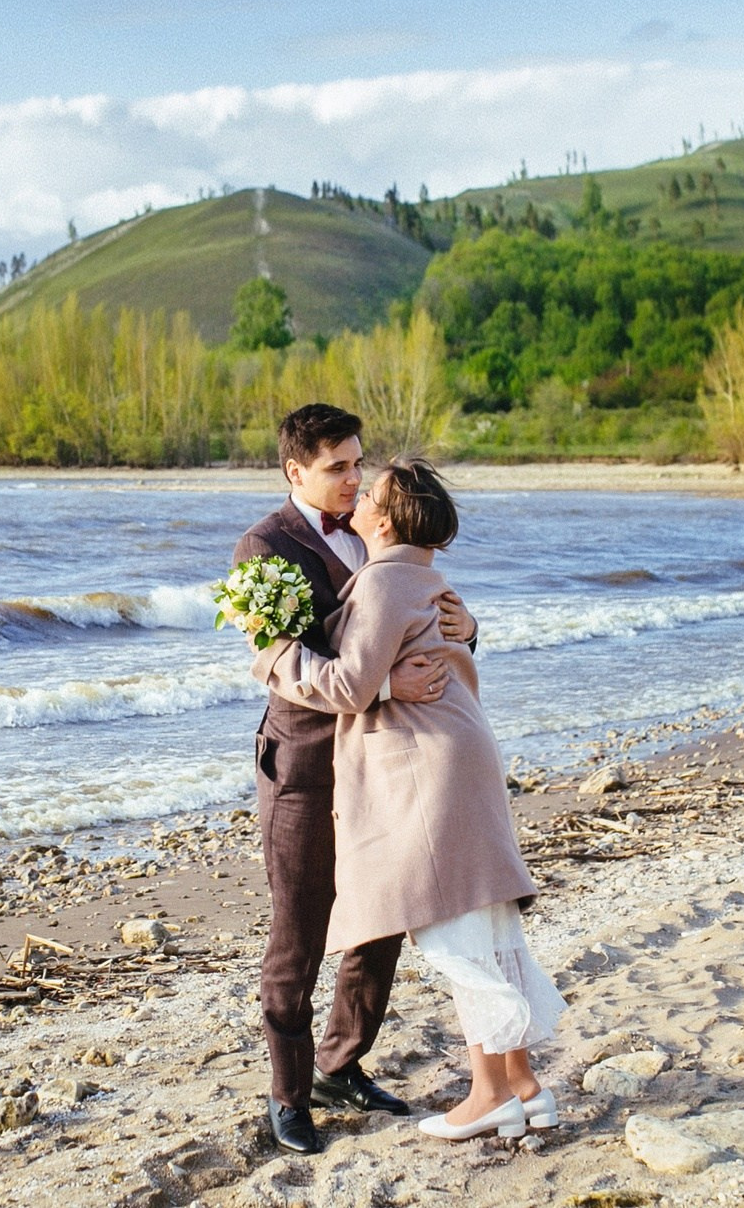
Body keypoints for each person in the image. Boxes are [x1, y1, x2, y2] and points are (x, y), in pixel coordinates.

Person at [253, 457, 564, 1141]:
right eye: (347, 471)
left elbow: (346, 686)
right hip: (463, 744)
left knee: (453, 931)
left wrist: (272, 654)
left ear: (387, 519)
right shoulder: (424, 571)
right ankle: (521, 1084)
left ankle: (488, 1096)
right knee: (483, 921)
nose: (357, 489)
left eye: (367, 483)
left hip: (428, 764)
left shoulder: (385, 578)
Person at [234, 404, 473, 1156]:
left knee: (383, 918)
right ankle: (289, 1094)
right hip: (305, 765)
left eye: (357, 463)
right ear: (295, 470)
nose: (353, 478)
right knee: (298, 933)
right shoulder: (262, 548)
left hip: (383, 761)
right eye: (337, 466)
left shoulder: (381, 529)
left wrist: (466, 630)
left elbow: (421, 607)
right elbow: (291, 669)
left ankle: (342, 1063)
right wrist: (385, 683)